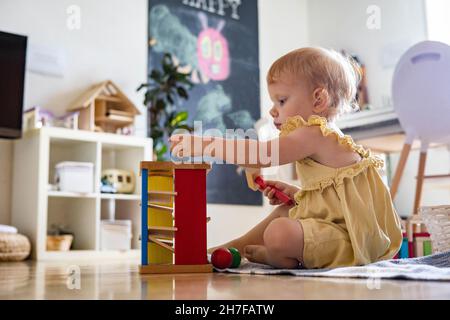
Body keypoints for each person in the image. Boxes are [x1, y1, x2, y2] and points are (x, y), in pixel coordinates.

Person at [169, 47, 403, 269]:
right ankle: (231, 248)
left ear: (318, 99)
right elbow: (336, 199)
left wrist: (204, 144)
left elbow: (261, 154)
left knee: (279, 232)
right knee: (286, 209)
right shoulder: (320, 137)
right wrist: (296, 193)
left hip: (351, 242)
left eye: (281, 101)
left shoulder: (315, 132)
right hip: (335, 228)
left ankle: (274, 255)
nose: (273, 110)